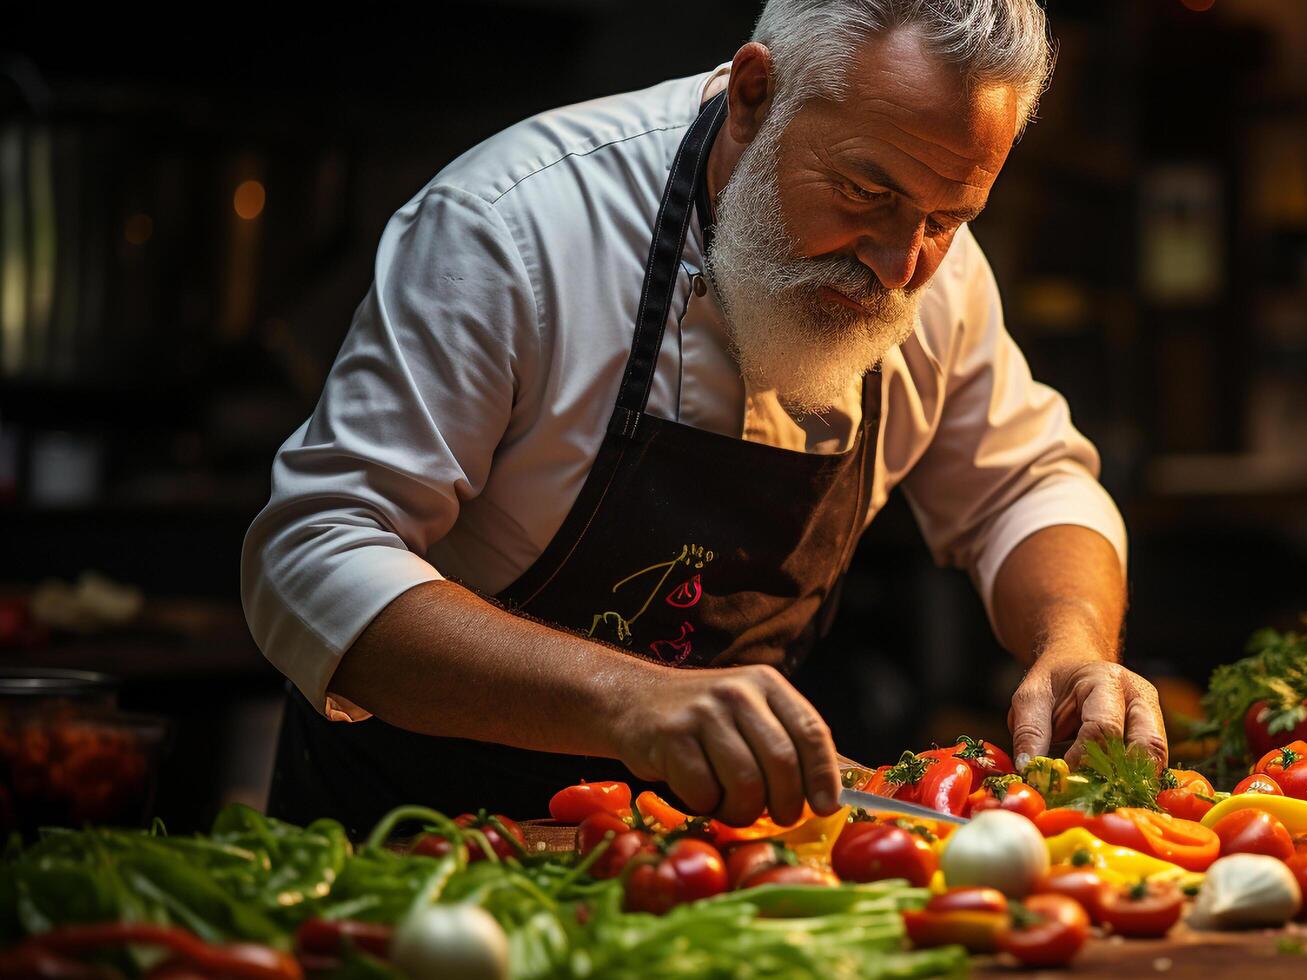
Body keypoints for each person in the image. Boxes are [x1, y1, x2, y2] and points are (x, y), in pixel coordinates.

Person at [242, 0, 1164, 834]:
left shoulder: (933, 274)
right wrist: (627, 699)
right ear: (756, 94)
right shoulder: (513, 230)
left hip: (708, 873)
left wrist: (1072, 641)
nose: (898, 264)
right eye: (864, 192)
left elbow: (1027, 484)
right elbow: (314, 556)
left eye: (949, 217)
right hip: (414, 847)